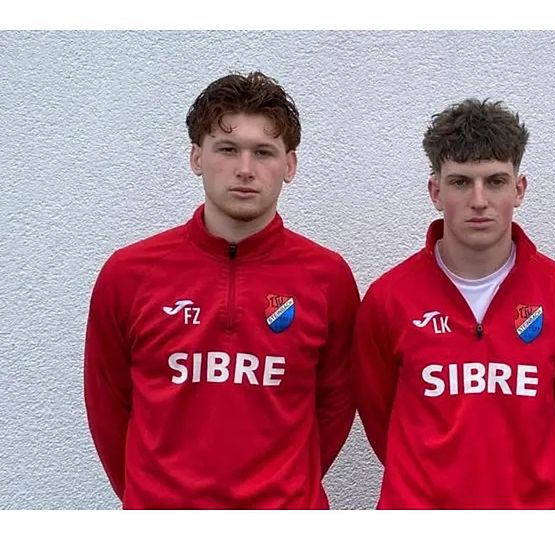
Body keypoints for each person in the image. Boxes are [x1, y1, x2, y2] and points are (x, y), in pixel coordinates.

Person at [83, 71, 359, 509]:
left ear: (289, 165)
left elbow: (338, 403)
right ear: (196, 157)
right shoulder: (129, 274)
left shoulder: (327, 278)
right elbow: (107, 407)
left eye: (263, 152)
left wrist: (284, 489)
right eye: (227, 149)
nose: (245, 170)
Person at [352, 99, 555, 509]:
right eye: (461, 182)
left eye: (495, 181)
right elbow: (379, 415)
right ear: (435, 191)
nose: (479, 200)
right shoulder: (389, 297)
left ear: (519, 190)